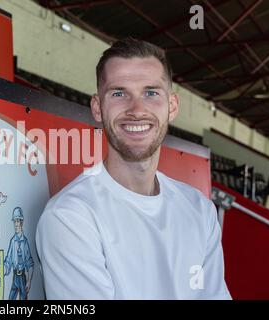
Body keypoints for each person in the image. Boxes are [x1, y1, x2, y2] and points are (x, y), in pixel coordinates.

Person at [36, 38, 231, 300]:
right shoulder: (71, 216)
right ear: (97, 107)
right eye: (119, 93)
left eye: (151, 92)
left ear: (172, 106)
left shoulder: (199, 209)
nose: (136, 110)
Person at [4, 207, 34, 300]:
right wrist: (2, 271)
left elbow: (30, 262)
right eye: (14, 221)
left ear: (21, 222)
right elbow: (8, 260)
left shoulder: (25, 242)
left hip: (22, 278)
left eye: (17, 221)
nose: (16, 224)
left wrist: (29, 281)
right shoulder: (13, 241)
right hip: (15, 276)